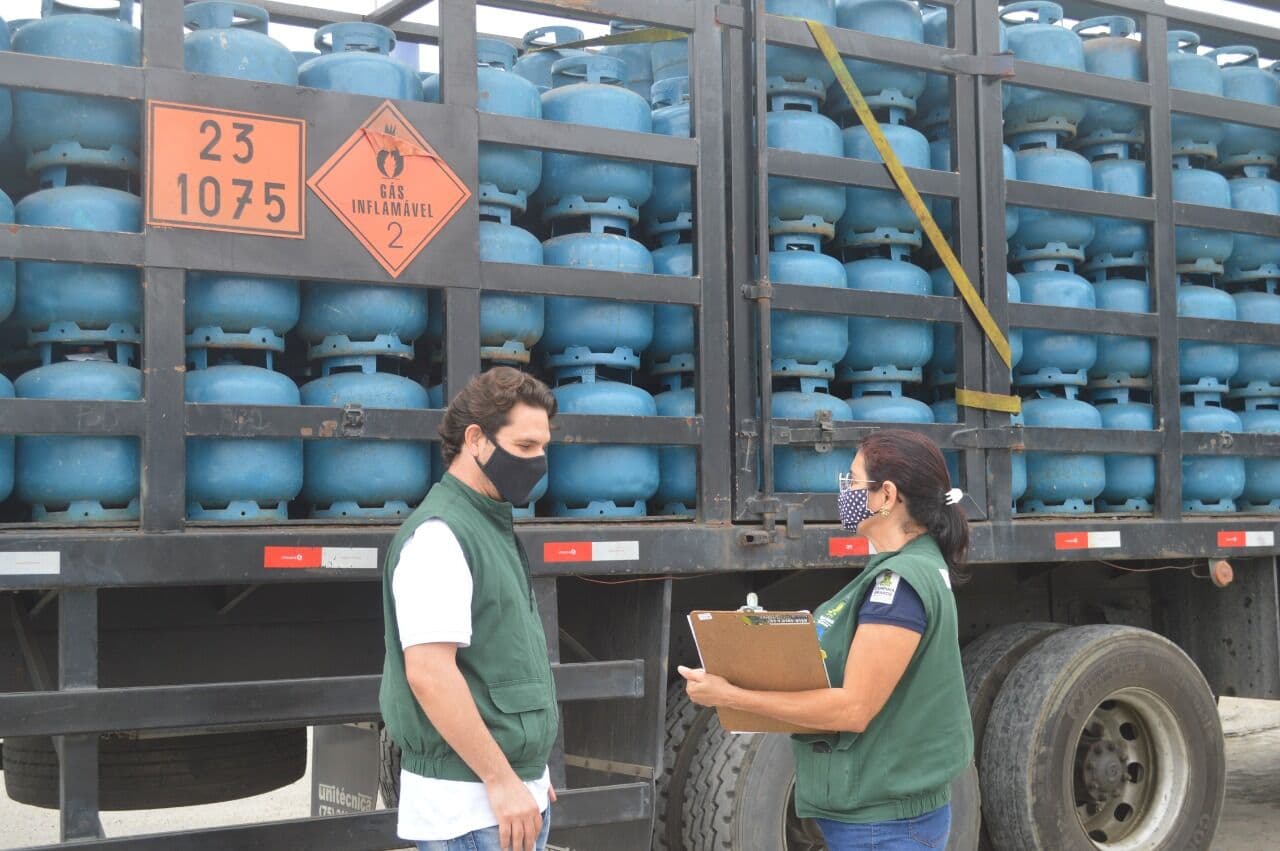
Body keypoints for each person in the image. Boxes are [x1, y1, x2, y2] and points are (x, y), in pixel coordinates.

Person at [680, 429, 973, 850]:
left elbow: (853, 708)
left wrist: (733, 697)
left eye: (853, 482)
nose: (846, 492)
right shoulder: (905, 569)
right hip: (879, 818)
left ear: (886, 495)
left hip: (882, 826)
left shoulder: (899, 585)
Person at [380, 367, 559, 851]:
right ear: (476, 439)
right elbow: (430, 674)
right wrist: (502, 780)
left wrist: (530, 772)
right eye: (525, 447)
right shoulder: (440, 536)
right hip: (474, 812)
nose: (539, 461)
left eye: (544, 447)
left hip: (503, 803)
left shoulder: (487, 524)